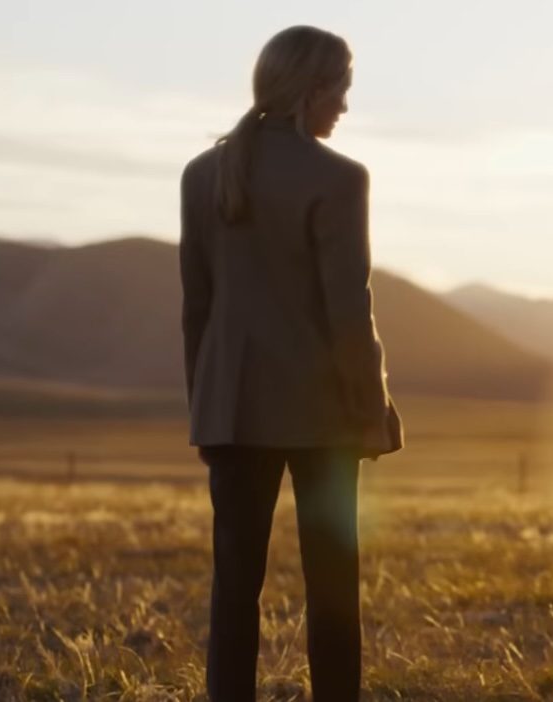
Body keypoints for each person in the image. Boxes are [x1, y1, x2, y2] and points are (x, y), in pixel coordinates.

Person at [178, 25, 402, 702]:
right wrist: (373, 411)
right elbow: (347, 313)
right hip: (324, 415)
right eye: (341, 91)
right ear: (313, 90)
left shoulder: (202, 173)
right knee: (333, 588)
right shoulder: (339, 178)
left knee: (233, 590)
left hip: (232, 410)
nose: (344, 108)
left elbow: (198, 306)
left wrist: (206, 407)